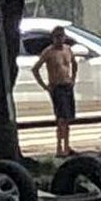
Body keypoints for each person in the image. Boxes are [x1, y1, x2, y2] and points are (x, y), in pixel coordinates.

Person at [32, 27, 78, 158]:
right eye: (57, 37)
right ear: (53, 38)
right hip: (56, 87)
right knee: (61, 119)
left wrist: (73, 78)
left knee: (68, 118)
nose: (59, 39)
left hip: (67, 86)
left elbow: (74, 64)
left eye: (61, 36)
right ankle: (59, 147)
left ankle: (67, 146)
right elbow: (35, 69)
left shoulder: (68, 49)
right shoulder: (48, 52)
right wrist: (45, 86)